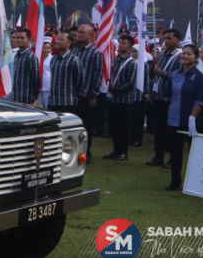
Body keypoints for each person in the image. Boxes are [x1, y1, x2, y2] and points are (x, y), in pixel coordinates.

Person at [165, 44, 203, 191]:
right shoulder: (174, 75)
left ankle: (195, 183)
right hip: (174, 118)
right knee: (175, 152)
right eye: (183, 53)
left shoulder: (200, 77)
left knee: (194, 152)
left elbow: (200, 100)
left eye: (189, 54)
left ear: (196, 58)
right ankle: (175, 181)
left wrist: (192, 118)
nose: (185, 56)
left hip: (192, 120)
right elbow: (168, 94)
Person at [146, 28, 182, 167]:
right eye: (165, 38)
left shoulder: (180, 57)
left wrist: (162, 73)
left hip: (171, 99)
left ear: (177, 41)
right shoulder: (160, 56)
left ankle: (173, 159)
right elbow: (153, 76)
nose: (166, 41)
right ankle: (158, 156)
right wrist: (153, 68)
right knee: (159, 129)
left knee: (172, 131)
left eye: (169, 38)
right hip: (158, 97)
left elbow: (179, 78)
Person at [104, 35, 137, 160]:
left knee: (123, 127)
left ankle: (123, 151)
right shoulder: (115, 60)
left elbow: (131, 82)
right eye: (120, 42)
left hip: (124, 100)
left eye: (123, 43)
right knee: (113, 126)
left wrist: (116, 89)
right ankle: (116, 149)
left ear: (130, 46)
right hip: (113, 99)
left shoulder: (131, 62)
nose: (120, 45)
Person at [72, 24, 102, 162]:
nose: (78, 34)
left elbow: (97, 74)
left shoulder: (95, 53)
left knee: (86, 126)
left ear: (91, 35)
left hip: (86, 95)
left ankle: (86, 152)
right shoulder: (74, 51)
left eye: (82, 32)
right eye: (78, 32)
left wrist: (93, 95)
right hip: (73, 95)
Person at [48, 32, 83, 114]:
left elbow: (80, 82)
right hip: (53, 101)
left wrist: (75, 96)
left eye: (62, 39)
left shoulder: (74, 60)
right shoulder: (53, 59)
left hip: (67, 102)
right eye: (58, 39)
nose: (58, 41)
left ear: (69, 43)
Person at [12, 28, 41, 105]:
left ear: (29, 40)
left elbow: (36, 78)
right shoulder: (17, 56)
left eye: (22, 38)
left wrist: (35, 95)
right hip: (16, 96)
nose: (19, 40)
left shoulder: (31, 56)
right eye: (18, 37)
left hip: (27, 99)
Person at [130, 46, 151, 147]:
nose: (134, 53)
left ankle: (138, 139)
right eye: (132, 51)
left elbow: (147, 79)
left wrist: (146, 92)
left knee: (138, 119)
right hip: (130, 95)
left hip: (140, 95)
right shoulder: (130, 63)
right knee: (130, 118)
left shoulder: (144, 65)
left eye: (136, 51)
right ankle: (131, 138)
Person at [39, 38, 53, 108]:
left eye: (48, 48)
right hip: (39, 84)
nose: (47, 50)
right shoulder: (38, 57)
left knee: (47, 105)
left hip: (48, 84)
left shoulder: (53, 58)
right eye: (45, 48)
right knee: (39, 105)